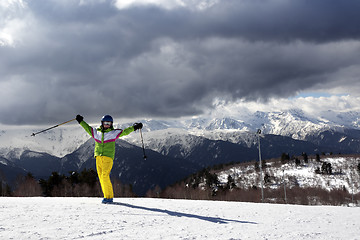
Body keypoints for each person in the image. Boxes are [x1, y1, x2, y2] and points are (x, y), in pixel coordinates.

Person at [76, 114, 143, 204]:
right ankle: (106, 196)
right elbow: (87, 128)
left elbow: (125, 131)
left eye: (109, 123)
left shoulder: (113, 133)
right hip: (98, 157)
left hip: (108, 157)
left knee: (105, 176)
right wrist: (81, 121)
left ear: (111, 124)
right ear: (102, 123)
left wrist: (135, 127)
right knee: (101, 177)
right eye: (105, 123)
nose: (107, 124)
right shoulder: (96, 132)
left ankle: (109, 197)